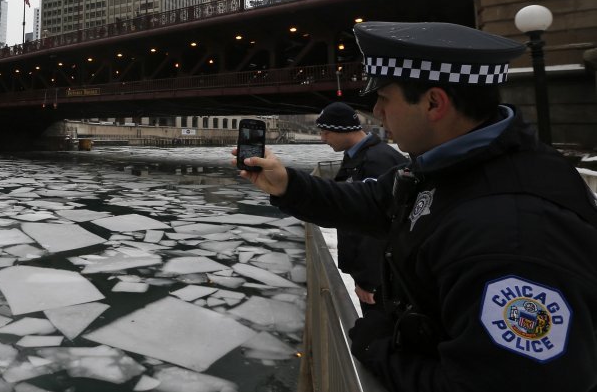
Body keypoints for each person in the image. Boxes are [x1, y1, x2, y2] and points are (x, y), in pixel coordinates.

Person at [235, 21, 597, 391]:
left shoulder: (515, 233)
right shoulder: (452, 167)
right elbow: (374, 202)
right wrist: (287, 184)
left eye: (384, 98)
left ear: (433, 103)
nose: (376, 112)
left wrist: (378, 346)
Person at [316, 101, 406, 314]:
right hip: (382, 273)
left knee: (379, 328)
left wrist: (369, 280)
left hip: (383, 278)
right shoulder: (363, 156)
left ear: (342, 130)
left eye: (326, 133)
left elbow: (378, 224)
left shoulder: (376, 162)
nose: (322, 139)